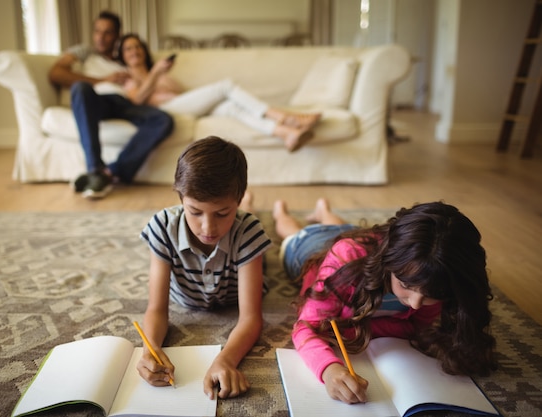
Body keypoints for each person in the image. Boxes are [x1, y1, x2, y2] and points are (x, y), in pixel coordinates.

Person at [273, 198, 497, 405]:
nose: (416, 304)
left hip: (357, 236)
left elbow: (415, 327)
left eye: (431, 295)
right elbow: (305, 327)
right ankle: (279, 210)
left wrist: (356, 329)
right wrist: (330, 370)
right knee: (292, 233)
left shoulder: (433, 273)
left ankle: (324, 210)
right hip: (312, 252)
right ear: (389, 262)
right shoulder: (345, 259)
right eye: (407, 286)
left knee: (340, 226)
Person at [137, 136, 272, 399]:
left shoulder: (248, 232)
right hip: (188, 294)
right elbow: (156, 309)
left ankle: (269, 212)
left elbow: (251, 318)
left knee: (261, 234)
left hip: (242, 259)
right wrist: (148, 350)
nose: (208, 228)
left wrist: (227, 360)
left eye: (222, 213)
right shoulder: (163, 226)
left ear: (237, 199)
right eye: (195, 212)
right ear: (180, 197)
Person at [96, 33, 321, 152]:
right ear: (122, 56)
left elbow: (183, 94)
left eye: (137, 46)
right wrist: (155, 74)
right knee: (225, 86)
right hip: (163, 113)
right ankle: (283, 116)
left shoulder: (162, 72)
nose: (134, 51)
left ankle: (284, 133)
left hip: (184, 106)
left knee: (231, 107)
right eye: (128, 48)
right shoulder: (127, 77)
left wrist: (161, 75)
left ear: (143, 50)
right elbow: (137, 101)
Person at [48, 11, 174, 199]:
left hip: (124, 103)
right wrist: (101, 80)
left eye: (107, 32)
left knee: (163, 119)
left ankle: (111, 173)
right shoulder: (85, 52)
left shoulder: (124, 55)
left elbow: (144, 81)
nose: (101, 37)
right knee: (80, 88)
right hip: (96, 100)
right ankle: (94, 168)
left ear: (117, 36)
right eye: (97, 31)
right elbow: (56, 74)